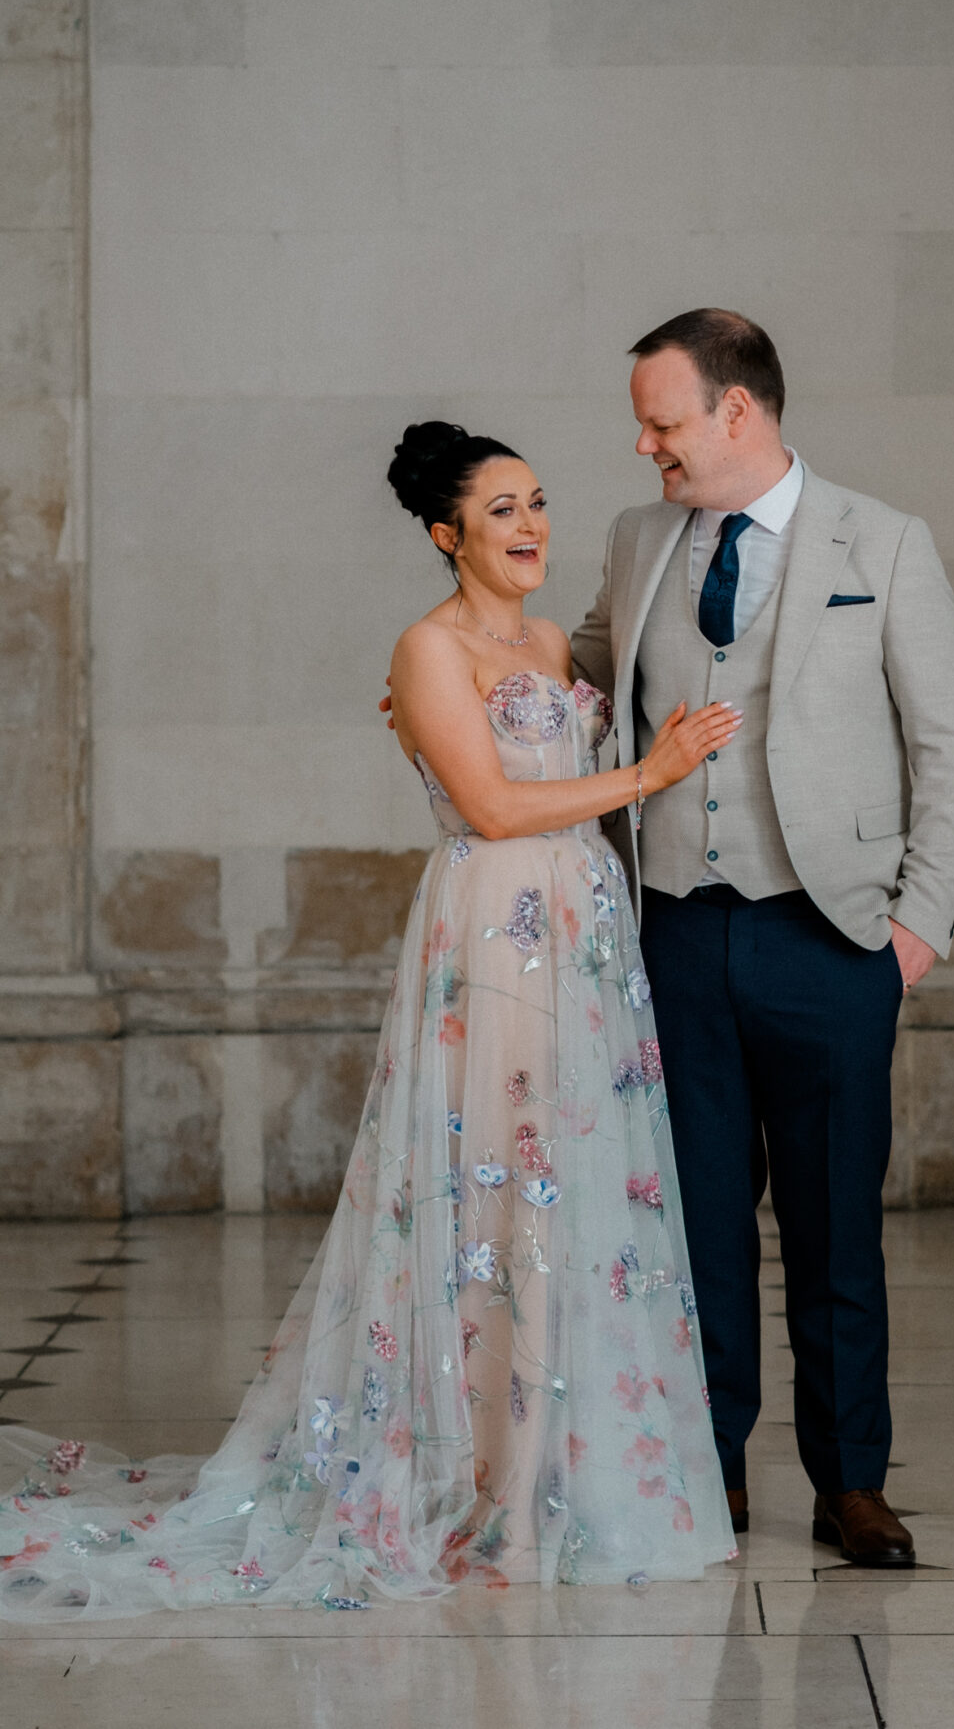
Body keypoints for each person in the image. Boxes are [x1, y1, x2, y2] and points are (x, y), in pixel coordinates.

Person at [0, 423, 737, 1619]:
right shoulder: (427, 646)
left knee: (577, 1191)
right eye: (499, 510)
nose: (529, 525)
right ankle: (477, 1481)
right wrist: (652, 775)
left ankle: (554, 1475)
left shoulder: (548, 637)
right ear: (447, 534)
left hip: (584, 932)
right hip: (498, 925)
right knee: (502, 1188)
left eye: (537, 501)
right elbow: (495, 808)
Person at [567, 309, 954, 1567]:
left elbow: (949, 746)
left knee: (832, 1226)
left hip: (833, 937)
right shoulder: (639, 538)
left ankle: (851, 1481)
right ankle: (709, 1472)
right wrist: (465, 671)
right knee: (692, 1225)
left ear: (735, 411)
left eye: (662, 422)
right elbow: (584, 670)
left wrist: (914, 930)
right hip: (677, 933)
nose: (645, 446)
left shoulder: (885, 541)